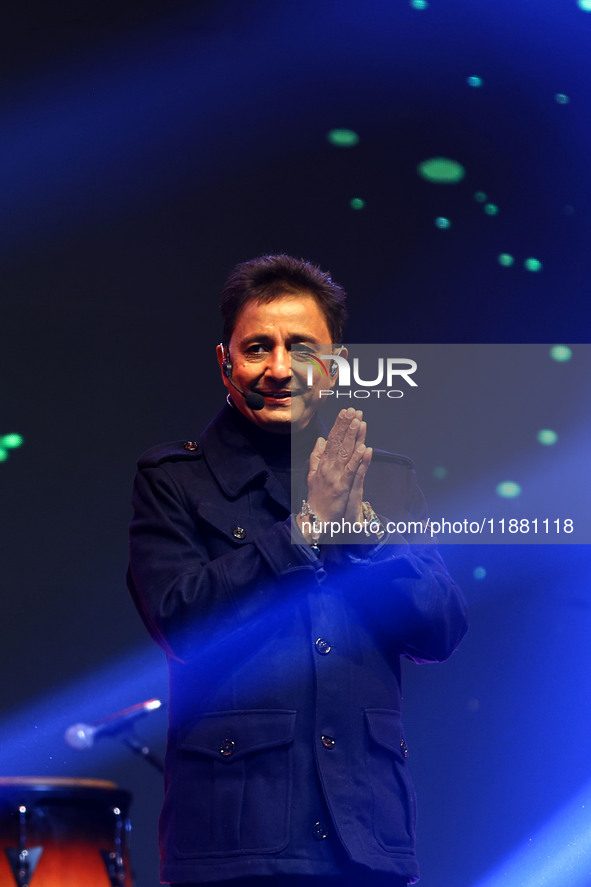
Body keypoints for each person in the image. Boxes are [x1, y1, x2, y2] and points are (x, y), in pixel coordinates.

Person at [127, 254, 468, 887]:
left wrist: (361, 538)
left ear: (333, 365)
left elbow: (441, 630)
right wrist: (305, 529)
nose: (280, 369)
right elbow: (179, 623)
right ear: (226, 363)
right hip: (235, 843)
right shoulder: (174, 479)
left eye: (301, 348)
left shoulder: (387, 480)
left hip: (366, 837)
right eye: (258, 347)